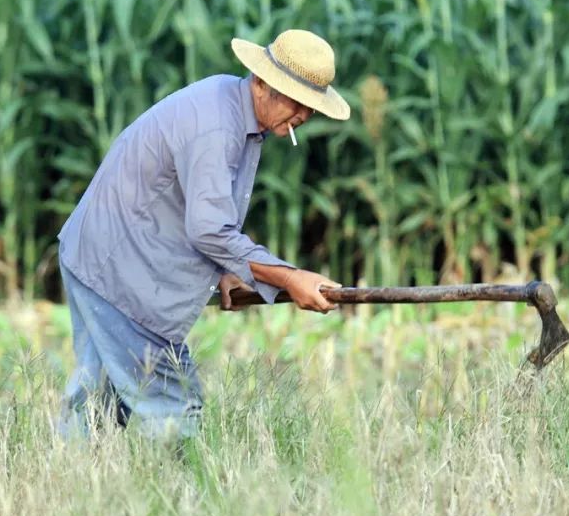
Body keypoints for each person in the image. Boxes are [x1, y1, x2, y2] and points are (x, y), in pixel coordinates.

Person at [55, 29, 350, 440]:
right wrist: (290, 277)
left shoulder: (233, 107)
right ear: (262, 83)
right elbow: (210, 228)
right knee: (172, 404)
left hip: (98, 253)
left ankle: (75, 486)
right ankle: (182, 499)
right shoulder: (217, 127)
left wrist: (227, 271)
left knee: (97, 400)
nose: (302, 114)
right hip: (120, 267)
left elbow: (197, 213)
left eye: (311, 107)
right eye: (296, 101)